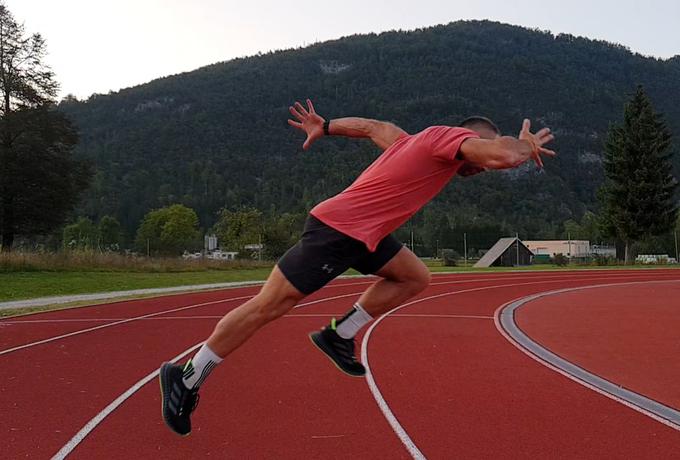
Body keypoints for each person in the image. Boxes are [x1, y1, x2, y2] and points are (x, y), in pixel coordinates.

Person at [159, 99, 555, 435]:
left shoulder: (410, 144)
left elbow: (372, 127)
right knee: (269, 305)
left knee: (414, 275)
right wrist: (522, 145)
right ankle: (188, 375)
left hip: (366, 235)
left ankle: (338, 335)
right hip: (339, 231)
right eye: (477, 154)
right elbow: (502, 154)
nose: (481, 167)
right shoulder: (444, 137)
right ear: (469, 137)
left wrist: (325, 125)